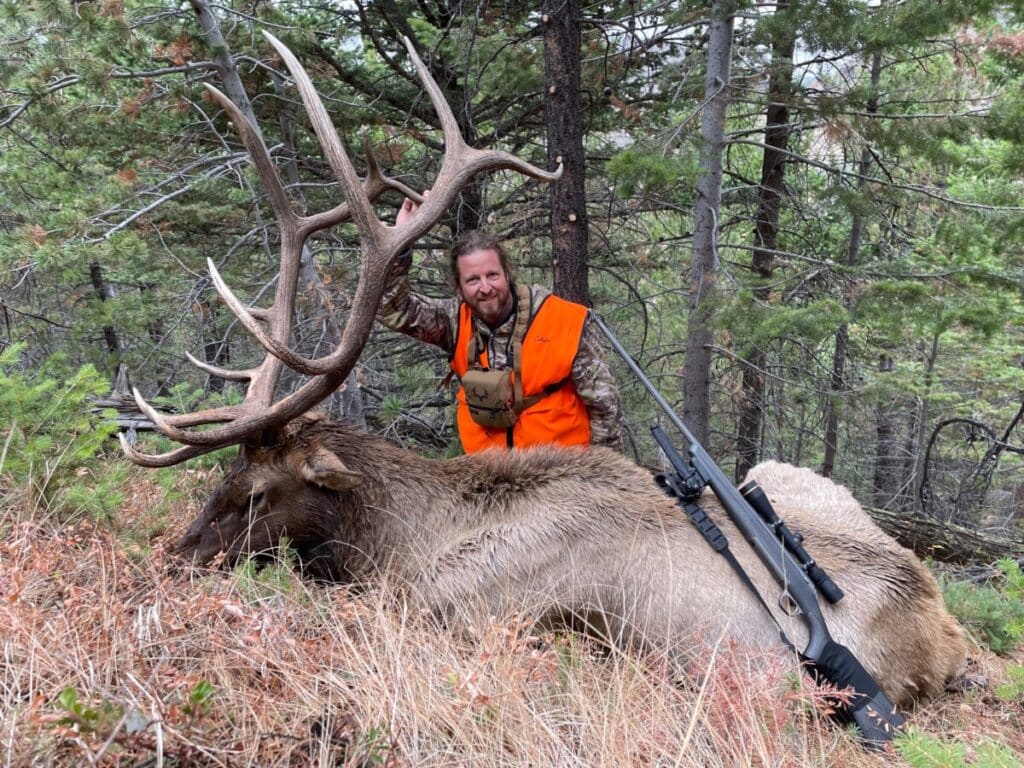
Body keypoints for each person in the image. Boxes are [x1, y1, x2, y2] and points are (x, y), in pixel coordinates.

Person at [379, 195, 624, 453]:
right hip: (489, 478)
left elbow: (605, 406)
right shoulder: (453, 322)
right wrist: (402, 243)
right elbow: (393, 309)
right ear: (459, 287)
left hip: (559, 478)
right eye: (473, 280)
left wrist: (600, 476)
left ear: (507, 273)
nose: (485, 288)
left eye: (492, 275)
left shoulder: (563, 321)